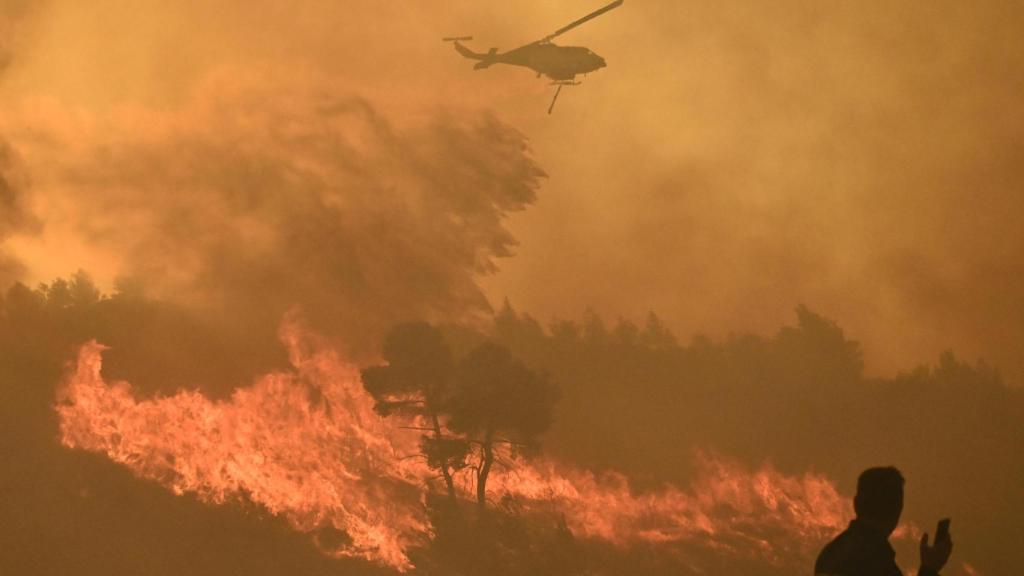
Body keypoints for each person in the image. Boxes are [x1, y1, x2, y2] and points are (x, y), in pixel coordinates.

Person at [815, 467, 953, 576]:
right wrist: (929, 569)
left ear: (856, 504)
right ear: (898, 509)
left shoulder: (829, 555)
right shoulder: (877, 562)